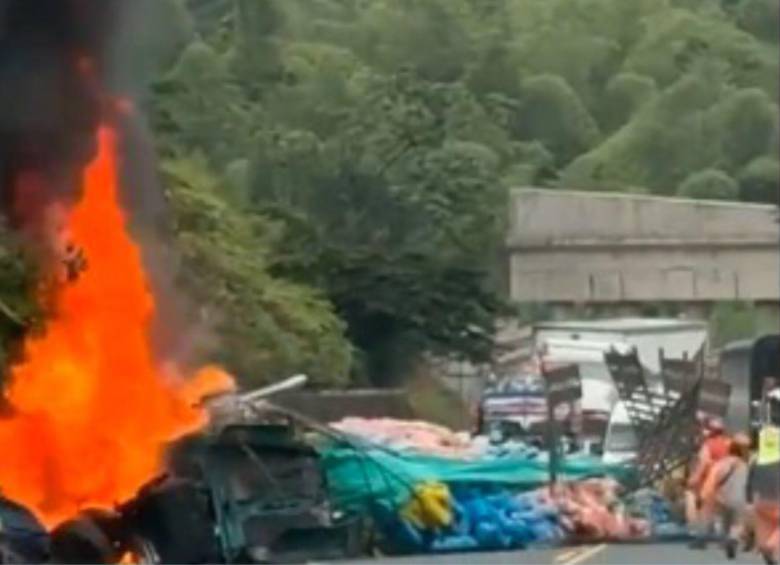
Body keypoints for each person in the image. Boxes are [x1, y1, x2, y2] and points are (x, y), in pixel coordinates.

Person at [698, 433, 751, 559]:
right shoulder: (744, 466)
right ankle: (733, 539)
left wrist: (705, 496)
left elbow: (711, 482)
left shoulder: (720, 464)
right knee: (738, 523)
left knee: (724, 522)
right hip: (739, 498)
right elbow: (749, 483)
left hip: (721, 498)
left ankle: (727, 540)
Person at [688, 417, 731, 547]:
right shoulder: (730, 443)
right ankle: (726, 539)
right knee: (725, 511)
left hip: (712, 481)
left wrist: (694, 478)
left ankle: (701, 539)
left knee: (706, 510)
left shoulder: (708, 445)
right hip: (729, 480)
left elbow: (704, 463)